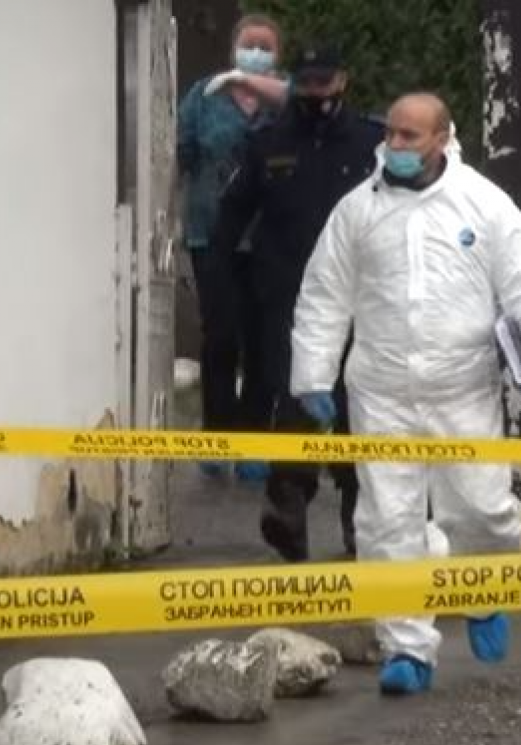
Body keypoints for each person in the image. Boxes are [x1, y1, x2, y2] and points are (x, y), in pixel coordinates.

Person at [289, 92, 521, 695]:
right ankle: (406, 649)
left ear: (442, 138)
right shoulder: (357, 211)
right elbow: (324, 295)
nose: (395, 145)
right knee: (388, 520)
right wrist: (312, 374)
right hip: (381, 391)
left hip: (463, 389)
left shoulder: (484, 204)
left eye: (410, 136)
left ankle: (483, 593)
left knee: (481, 508)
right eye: (391, 133)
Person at [206, 42, 383, 562]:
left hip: (361, 300)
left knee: (355, 404)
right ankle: (288, 504)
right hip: (286, 295)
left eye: (322, 82)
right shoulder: (268, 144)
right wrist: (221, 287)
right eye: (305, 83)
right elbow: (230, 218)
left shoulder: (371, 144)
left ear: (342, 81)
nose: (314, 92)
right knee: (293, 397)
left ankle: (357, 511)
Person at [176, 12, 287, 481]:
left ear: (277, 55)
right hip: (212, 233)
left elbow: (297, 105)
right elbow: (181, 151)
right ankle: (217, 436)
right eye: (248, 44)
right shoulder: (204, 95)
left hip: (270, 237)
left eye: (265, 46)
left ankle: (255, 440)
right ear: (233, 47)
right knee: (221, 337)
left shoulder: (286, 97)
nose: (255, 52)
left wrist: (248, 81)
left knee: (264, 341)